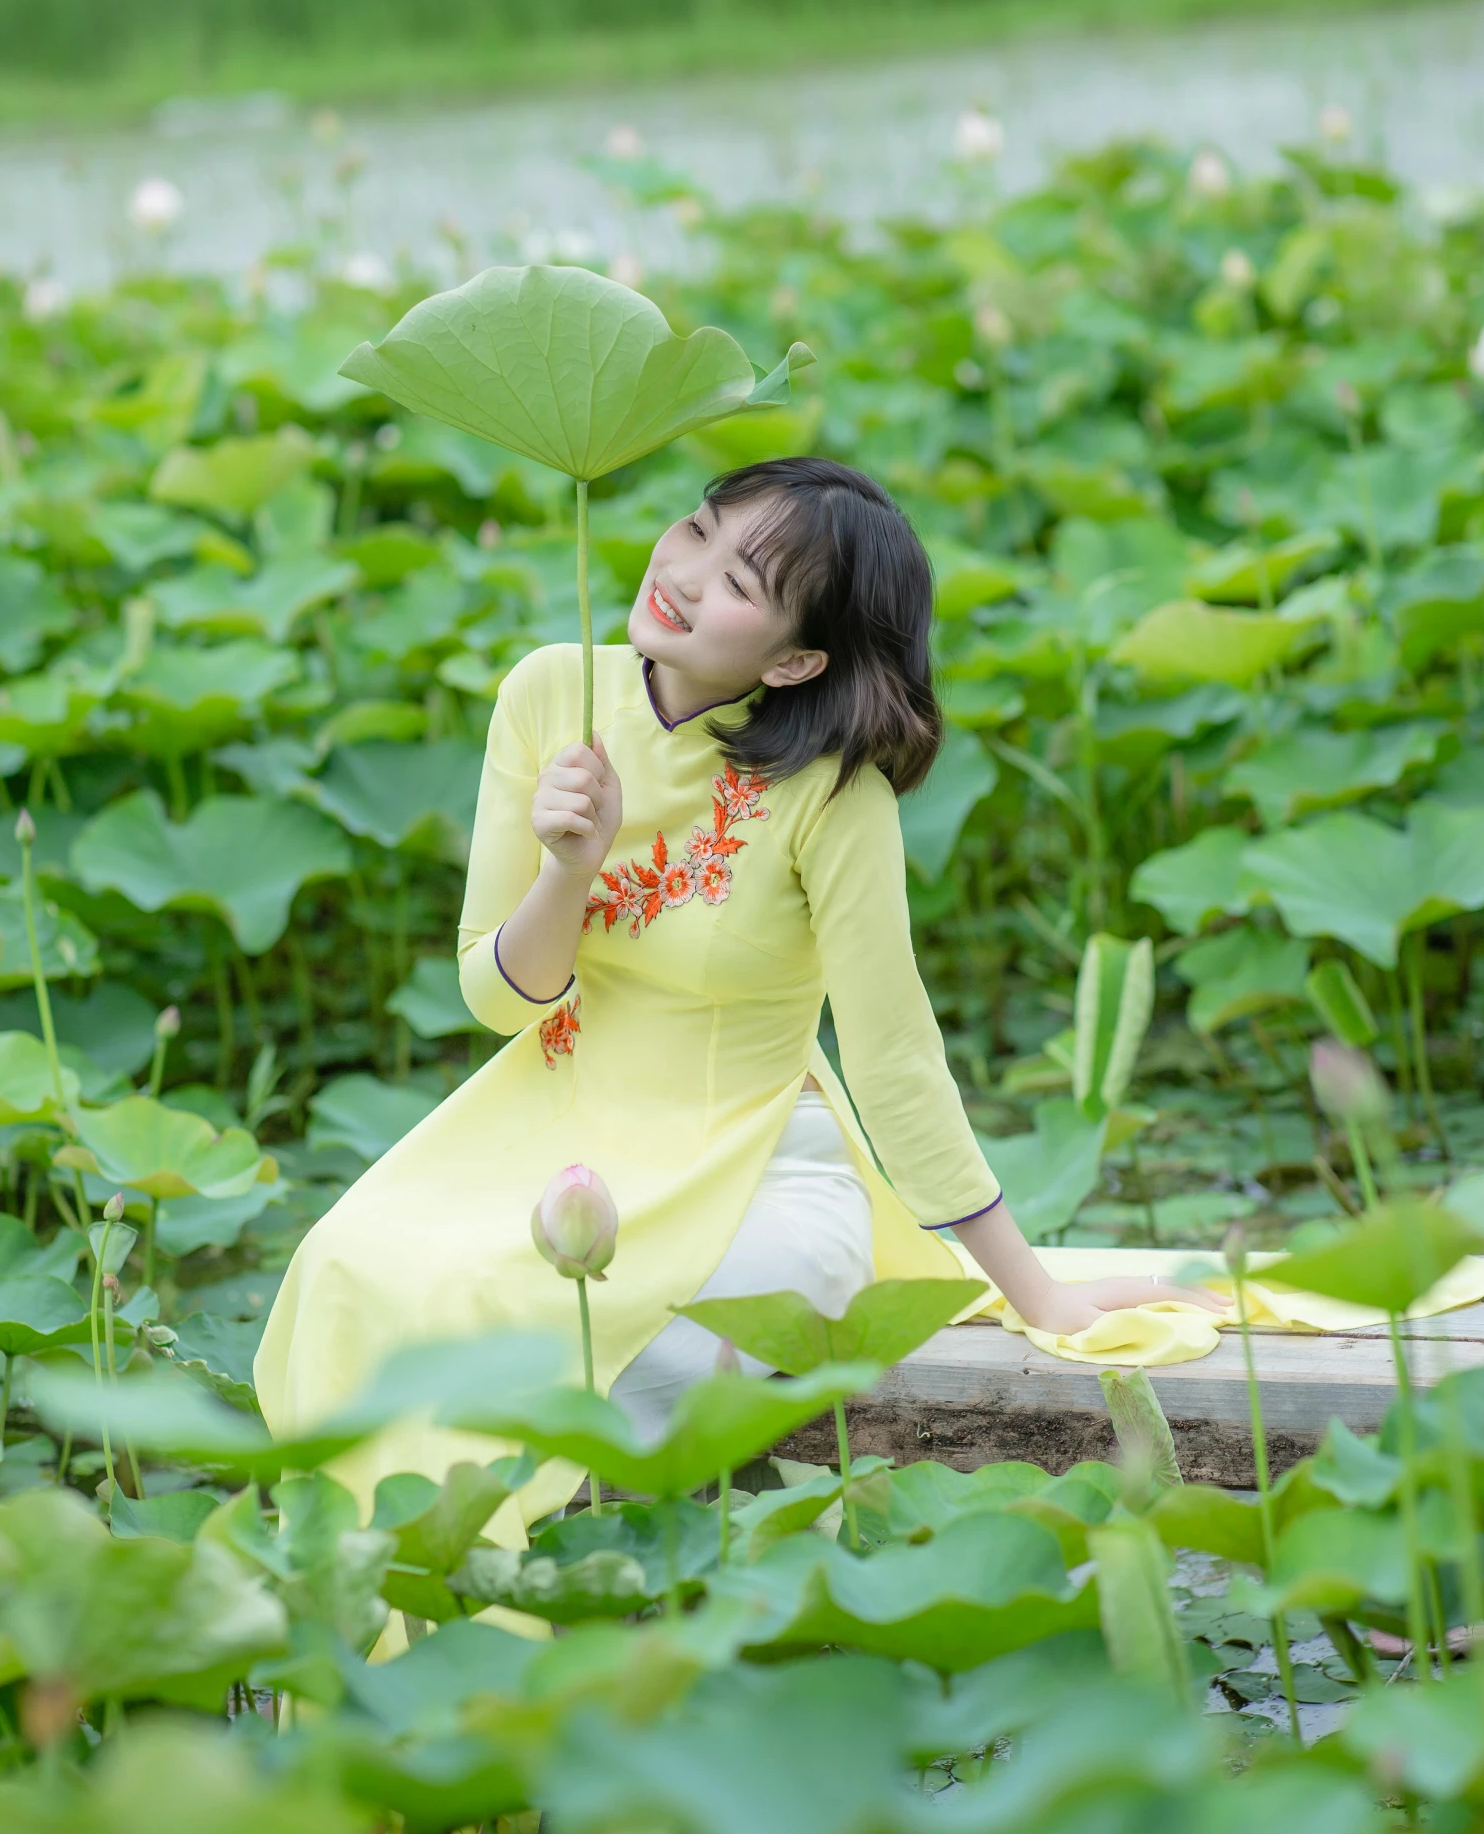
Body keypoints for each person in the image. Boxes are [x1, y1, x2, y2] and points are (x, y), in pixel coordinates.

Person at [255, 456, 1217, 1536]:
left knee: (563, 1339)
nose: (685, 572)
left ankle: (530, 1611)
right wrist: (567, 865)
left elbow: (893, 1053)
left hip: (756, 1169)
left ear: (799, 657)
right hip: (549, 1134)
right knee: (347, 1265)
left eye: (740, 583)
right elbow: (497, 997)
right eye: (697, 529)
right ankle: (392, 1618)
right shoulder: (546, 695)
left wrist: (1035, 1293)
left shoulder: (831, 792)